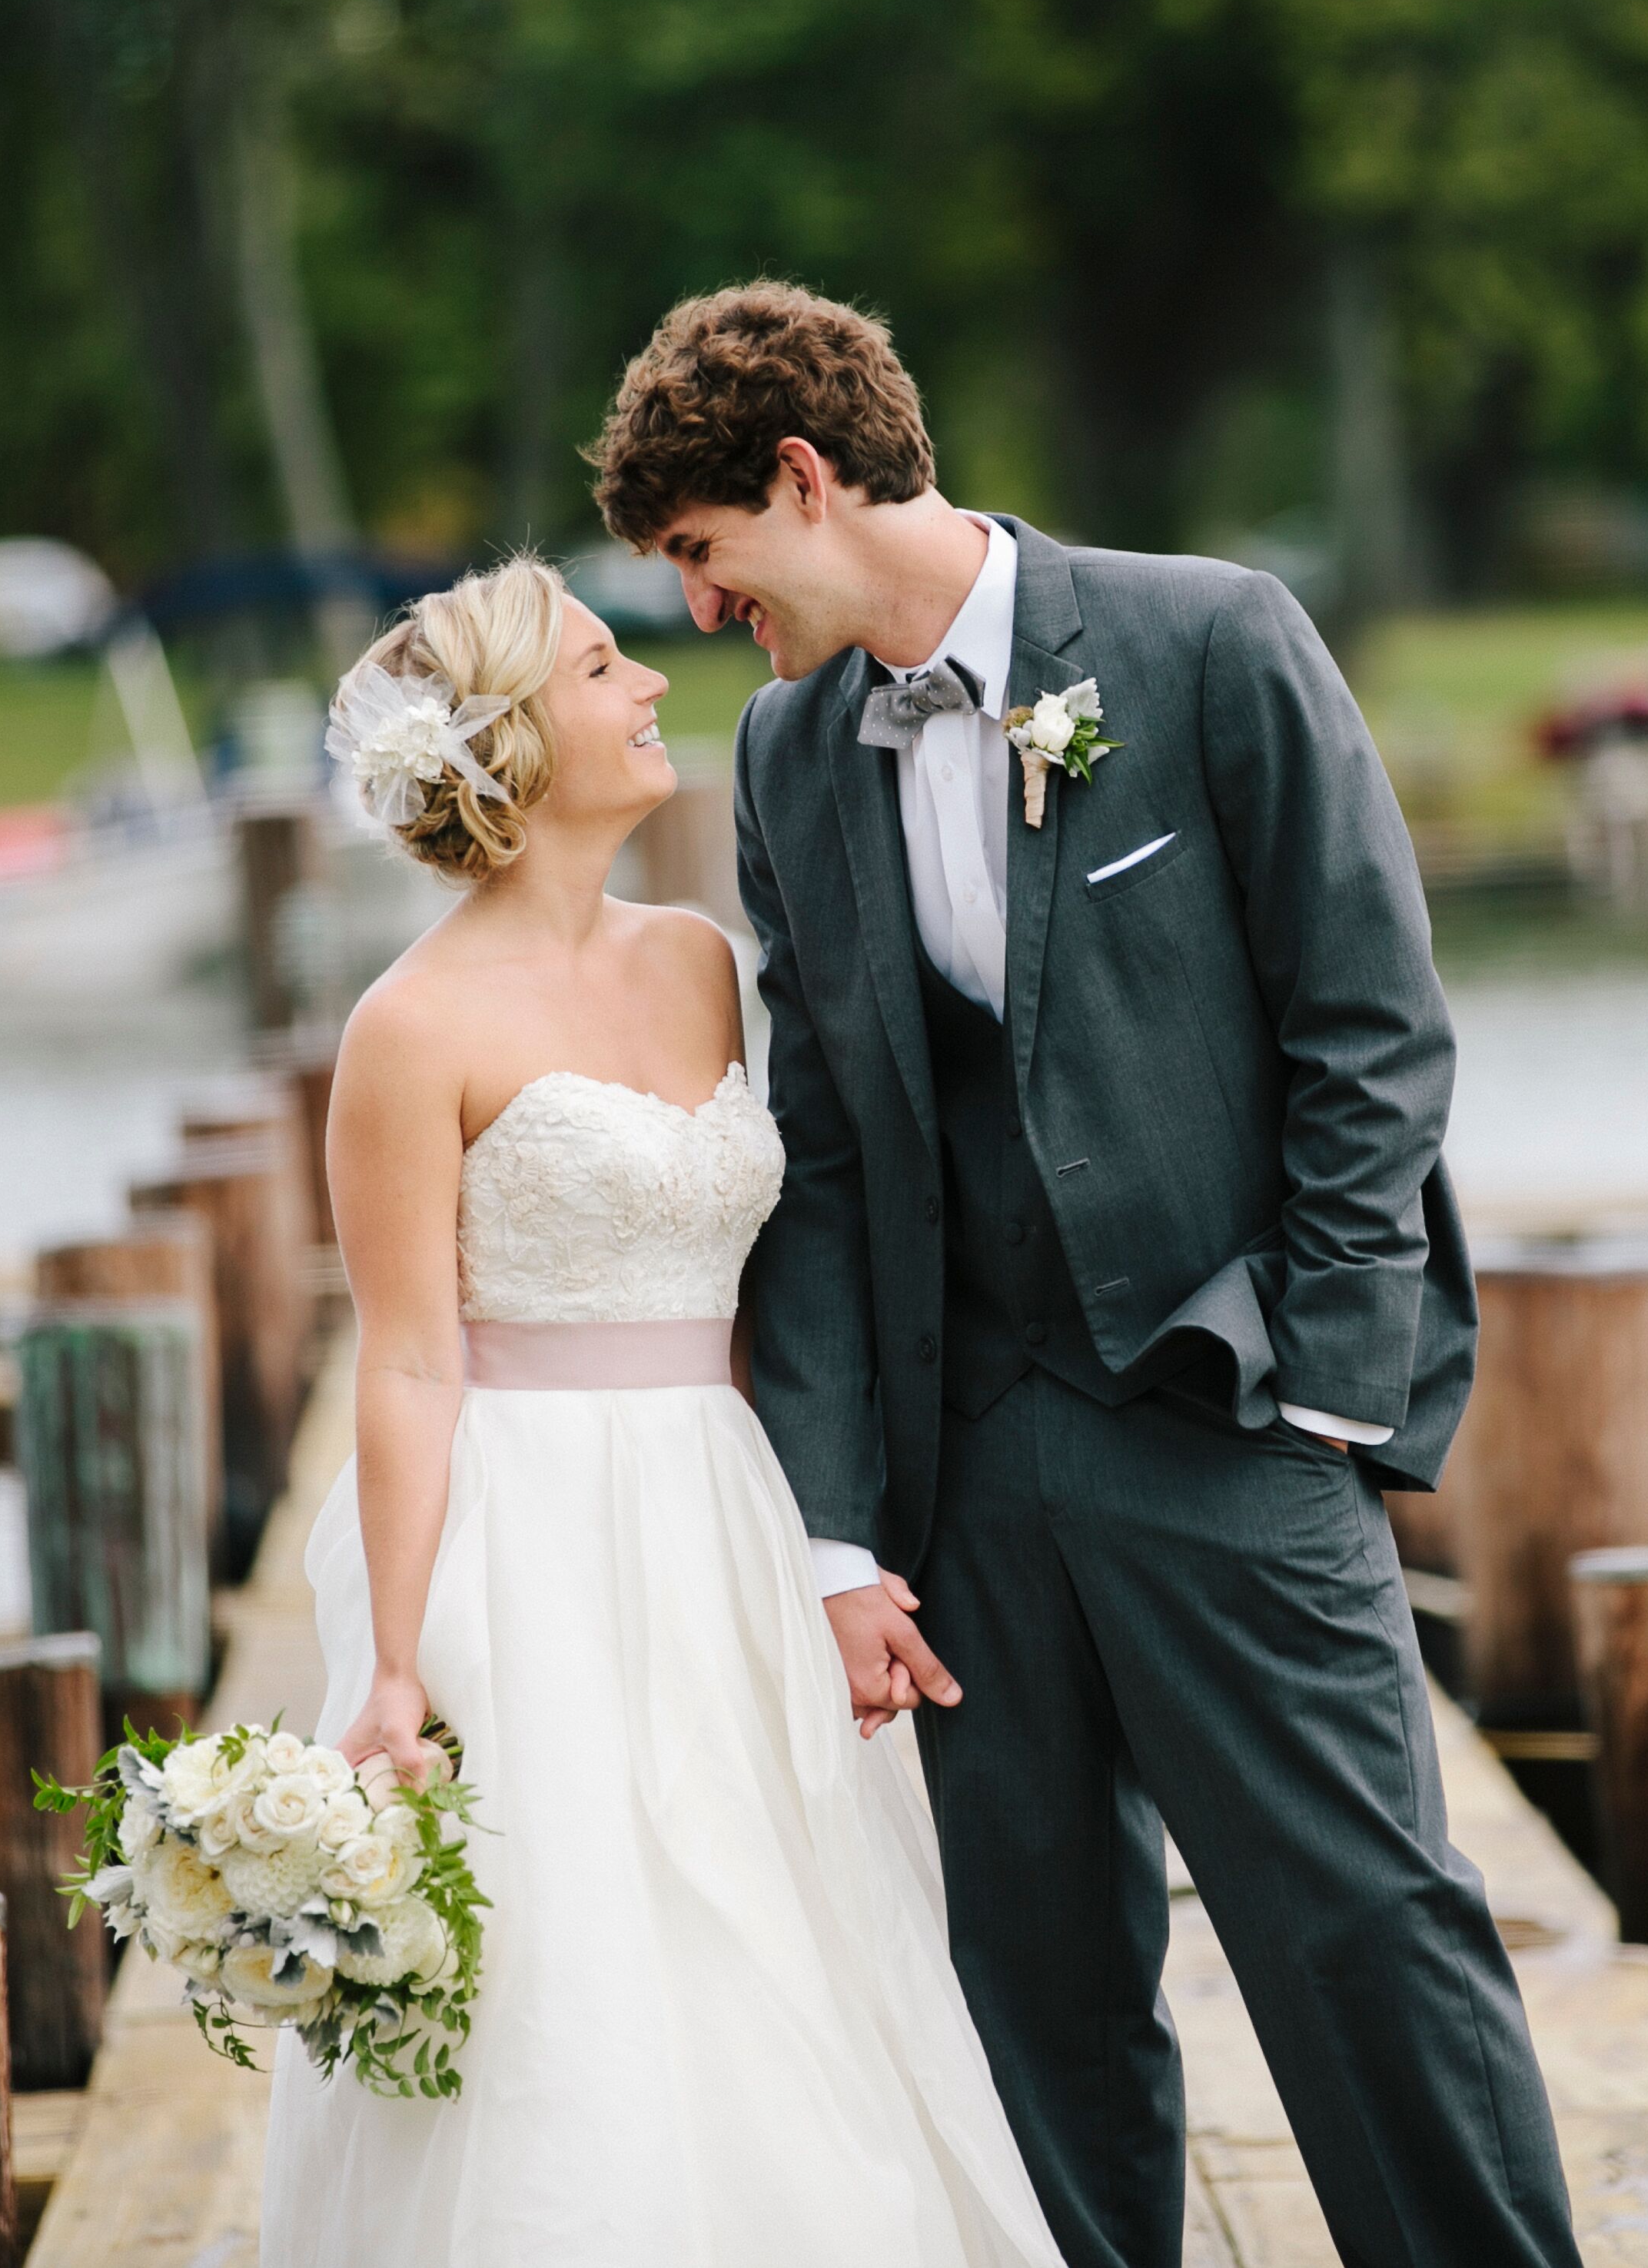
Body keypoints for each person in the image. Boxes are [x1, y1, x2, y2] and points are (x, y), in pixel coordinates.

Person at [591, 281, 1581, 2268]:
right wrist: (844, 1530)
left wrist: (1325, 1389)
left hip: (1229, 1421)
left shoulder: (1207, 641)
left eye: (705, 555)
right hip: (971, 1480)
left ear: (805, 476)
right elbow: (839, 1156)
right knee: (1032, 2002)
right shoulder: (790, 757)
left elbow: (1371, 1029)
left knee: (1367, 1935)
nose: (700, 611)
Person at [261, 554, 1062, 2264]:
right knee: (577, 1972)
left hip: (724, 1509)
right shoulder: (406, 1031)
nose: (651, 687)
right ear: (513, 742)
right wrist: (398, 1666)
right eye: (603, 665)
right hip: (526, 1534)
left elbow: (785, 1274)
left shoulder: (703, 961)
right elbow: (407, 1360)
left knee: (778, 1933)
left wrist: (833, 1551)